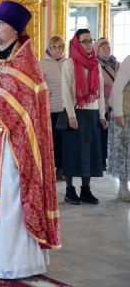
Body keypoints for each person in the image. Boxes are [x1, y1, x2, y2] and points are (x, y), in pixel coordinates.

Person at [0, 0, 61, 279]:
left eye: (0, 24)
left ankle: (10, 262)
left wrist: (15, 138)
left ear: (15, 29)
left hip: (11, 149)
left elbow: (31, 116)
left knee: (9, 203)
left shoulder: (28, 67)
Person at [61, 29, 107, 205]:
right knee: (72, 152)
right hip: (76, 112)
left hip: (93, 113)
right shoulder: (69, 63)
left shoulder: (96, 64)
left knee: (90, 153)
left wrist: (102, 114)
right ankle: (69, 190)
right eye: (85, 41)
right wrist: (71, 114)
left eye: (90, 40)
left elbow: (100, 92)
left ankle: (86, 190)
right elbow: (66, 90)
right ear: (76, 43)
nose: (89, 44)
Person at [39, 35, 66, 178]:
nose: (57, 50)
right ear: (49, 48)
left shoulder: (68, 63)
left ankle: (62, 168)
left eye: (60, 47)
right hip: (51, 109)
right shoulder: (42, 64)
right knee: (53, 141)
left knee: (64, 141)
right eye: (54, 47)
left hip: (66, 109)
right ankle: (52, 168)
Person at [108, 55, 130, 201]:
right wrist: (118, 113)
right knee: (123, 151)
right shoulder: (129, 61)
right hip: (124, 114)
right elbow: (117, 89)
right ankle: (123, 188)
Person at [95, 37, 118, 168]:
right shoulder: (95, 65)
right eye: (103, 48)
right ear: (97, 51)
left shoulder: (116, 64)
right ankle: (101, 160)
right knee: (102, 134)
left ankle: (110, 158)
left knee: (112, 133)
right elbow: (97, 87)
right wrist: (111, 92)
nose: (106, 50)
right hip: (103, 104)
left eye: (108, 47)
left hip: (115, 104)